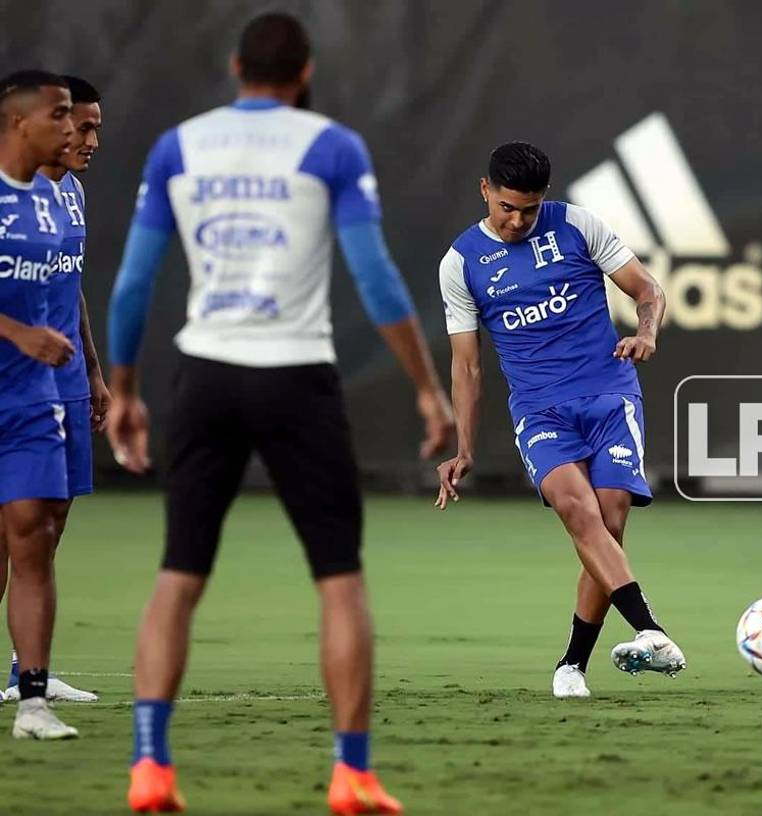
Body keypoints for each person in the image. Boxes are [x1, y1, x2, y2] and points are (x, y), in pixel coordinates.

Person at [106, 12, 453, 814]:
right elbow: (375, 279)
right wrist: (427, 388)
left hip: (204, 376)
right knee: (339, 581)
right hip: (295, 376)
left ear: (235, 68)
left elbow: (129, 285)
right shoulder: (331, 145)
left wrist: (124, 392)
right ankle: (351, 773)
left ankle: (150, 765)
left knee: (177, 574)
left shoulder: (177, 146)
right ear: (304, 73)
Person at [435, 141, 685, 700]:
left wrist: (646, 331)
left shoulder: (578, 225)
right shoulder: (461, 263)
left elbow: (648, 291)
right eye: (506, 207)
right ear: (485, 190)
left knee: (611, 521)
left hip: (609, 395)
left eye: (528, 208)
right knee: (579, 511)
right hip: (539, 409)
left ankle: (572, 663)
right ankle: (651, 631)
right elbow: (467, 365)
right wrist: (465, 447)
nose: (518, 220)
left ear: (544, 198)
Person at [1, 74, 110, 705]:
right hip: (16, 377)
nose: (86, 138)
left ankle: (27, 670)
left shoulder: (68, 195)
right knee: (11, 524)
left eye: (93, 126)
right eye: (78, 124)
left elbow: (71, 286)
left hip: (63, 375)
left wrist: (92, 370)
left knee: (51, 518)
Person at [0, 69, 80, 740]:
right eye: (59, 115)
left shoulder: (54, 202)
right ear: (20, 122)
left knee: (35, 535)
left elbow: (62, 295)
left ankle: (31, 701)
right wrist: (18, 332)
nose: (71, 128)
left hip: (32, 400)